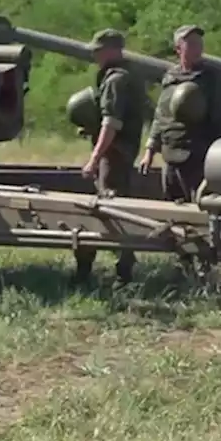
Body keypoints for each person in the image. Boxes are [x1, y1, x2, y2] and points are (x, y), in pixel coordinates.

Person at [139, 25, 221, 203]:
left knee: (198, 204)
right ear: (179, 49)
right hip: (170, 154)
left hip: (198, 156)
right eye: (191, 44)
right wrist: (149, 151)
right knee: (173, 204)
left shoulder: (211, 79)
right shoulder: (170, 77)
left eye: (199, 43)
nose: (197, 48)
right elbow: (161, 116)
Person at [77, 28, 146, 286]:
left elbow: (112, 123)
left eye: (99, 50)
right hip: (119, 154)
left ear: (113, 50)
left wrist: (95, 158)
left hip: (113, 156)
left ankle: (121, 273)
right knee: (114, 210)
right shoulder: (127, 76)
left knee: (109, 211)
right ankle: (118, 268)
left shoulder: (116, 80)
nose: (95, 55)